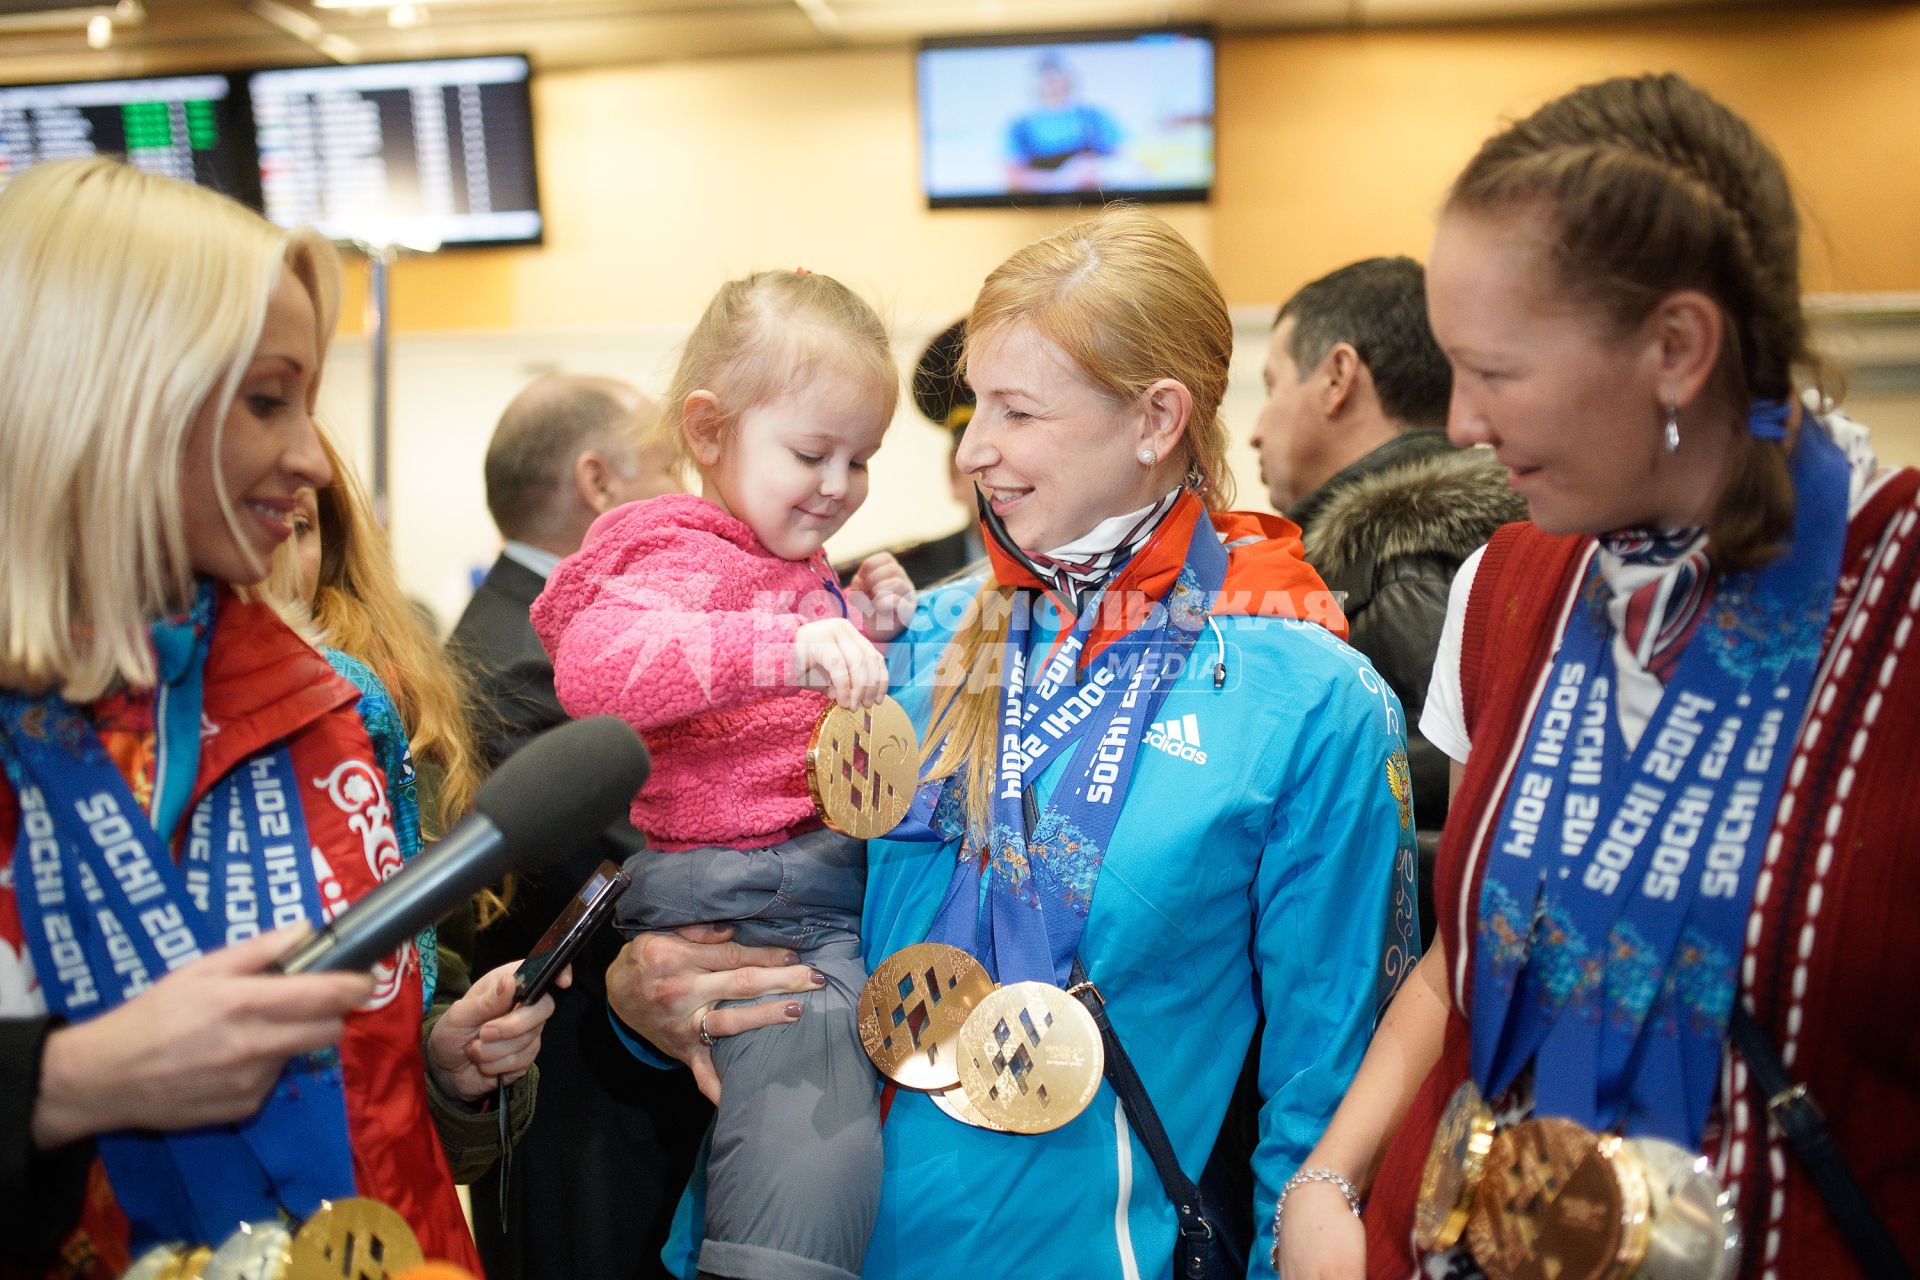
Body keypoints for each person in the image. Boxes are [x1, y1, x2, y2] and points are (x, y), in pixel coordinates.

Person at [605, 207, 1418, 1280]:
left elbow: (1325, 1088)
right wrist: (639, 997)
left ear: (1155, 418)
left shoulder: (1308, 697)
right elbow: (750, 890)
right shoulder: (898, 641)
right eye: (973, 404)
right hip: (783, 1237)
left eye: (1016, 410)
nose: (974, 448)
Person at [1277, 73, 1920, 1280]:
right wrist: (1327, 1181)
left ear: (1677, 347)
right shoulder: (1509, 583)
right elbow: (1460, 954)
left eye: (1499, 372)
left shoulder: (1897, 605)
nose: (1460, 422)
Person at [0, 157, 545, 1275]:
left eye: (309, 398)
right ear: (107, 399)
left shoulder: (330, 707)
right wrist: (70, 1084)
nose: (310, 456)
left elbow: (375, 1110)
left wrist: (442, 1071)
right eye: (266, 400)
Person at [530, 269, 913, 1280]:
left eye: (862, 458)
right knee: (811, 1079)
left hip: (805, 870)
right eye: (811, 452)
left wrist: (863, 620)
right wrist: (792, 646)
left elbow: (782, 708)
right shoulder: (671, 549)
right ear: (707, 430)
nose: (838, 482)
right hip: (748, 887)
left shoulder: (780, 555)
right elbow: (598, 668)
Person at [446, 374, 707, 1280]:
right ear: (598, 482)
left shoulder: (545, 636)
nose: (685, 495)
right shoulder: (518, 661)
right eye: (668, 465)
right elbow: (640, 880)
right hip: (587, 1108)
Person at [269, 437, 548, 1182]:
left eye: (297, 527)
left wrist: (451, 1065)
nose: (268, 556)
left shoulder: (376, 721)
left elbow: (428, 997)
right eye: (250, 518)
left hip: (360, 1198)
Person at [1251, 257, 1523, 939]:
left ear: (1338, 377)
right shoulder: (1488, 540)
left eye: (1271, 384)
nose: (1255, 429)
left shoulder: (1393, 562)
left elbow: (1482, 782)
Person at [866, 319, 985, 587]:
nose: (1010, 474)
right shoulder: (889, 589)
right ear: (954, 474)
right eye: (984, 455)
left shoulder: (1094, 587)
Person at [1006, 54, 1123, 193]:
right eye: (1047, 80)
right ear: (1036, 85)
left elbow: (1125, 158)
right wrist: (1063, 179)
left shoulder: (1093, 117)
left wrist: (1099, 170)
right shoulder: (1021, 126)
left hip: (1096, 202)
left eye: (1058, 78)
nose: (1054, 86)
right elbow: (1012, 178)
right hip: (1038, 206)